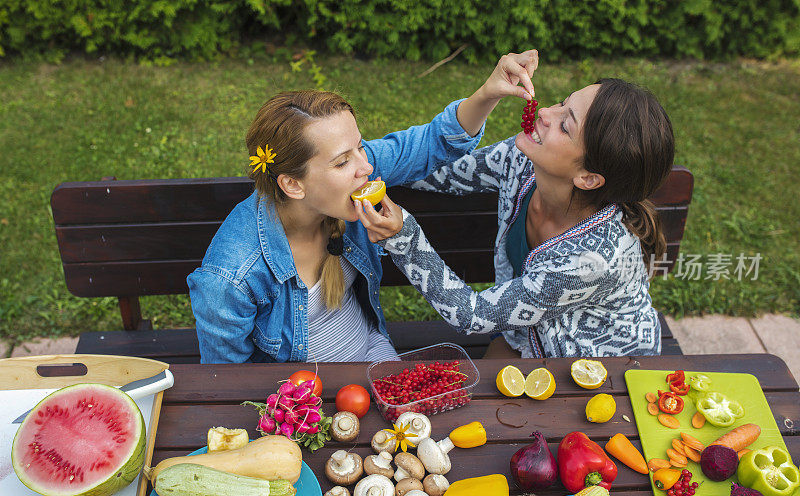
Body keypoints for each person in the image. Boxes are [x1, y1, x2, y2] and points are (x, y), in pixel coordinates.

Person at [187, 50, 540, 363]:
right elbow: (224, 386)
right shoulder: (230, 277)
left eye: (360, 147)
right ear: (293, 185)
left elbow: (434, 141)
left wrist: (488, 91)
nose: (367, 167)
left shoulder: (349, 182)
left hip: (373, 353)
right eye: (342, 161)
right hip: (301, 401)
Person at [357, 71, 675, 358]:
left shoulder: (594, 260)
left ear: (588, 178)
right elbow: (442, 172)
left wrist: (404, 238)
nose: (545, 112)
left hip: (598, 374)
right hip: (524, 337)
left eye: (565, 125)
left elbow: (473, 315)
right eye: (562, 103)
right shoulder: (524, 161)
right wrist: (358, 163)